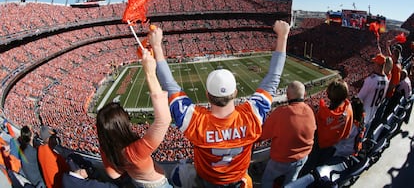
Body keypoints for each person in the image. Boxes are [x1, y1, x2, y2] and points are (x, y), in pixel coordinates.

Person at [149, 20, 290, 187]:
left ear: (208, 95)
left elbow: (169, 85)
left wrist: (157, 47)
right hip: (240, 183)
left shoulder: (195, 122)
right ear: (235, 93)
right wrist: (283, 36)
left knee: (180, 174)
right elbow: (273, 79)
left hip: (207, 181)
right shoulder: (252, 116)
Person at [96, 49, 172, 188]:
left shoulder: (110, 149)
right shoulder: (134, 152)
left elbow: (114, 174)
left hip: (137, 183)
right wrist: (149, 73)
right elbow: (163, 120)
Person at [260, 80, 316, 187]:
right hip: (302, 158)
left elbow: (263, 135)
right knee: (291, 182)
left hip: (281, 159)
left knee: (267, 180)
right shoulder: (310, 111)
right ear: (304, 95)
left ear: (287, 96)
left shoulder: (280, 112)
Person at [357, 53, 389, 134]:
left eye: (374, 63)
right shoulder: (386, 80)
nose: (373, 65)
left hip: (362, 117)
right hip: (371, 116)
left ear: (378, 65)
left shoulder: (371, 80)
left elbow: (359, 99)